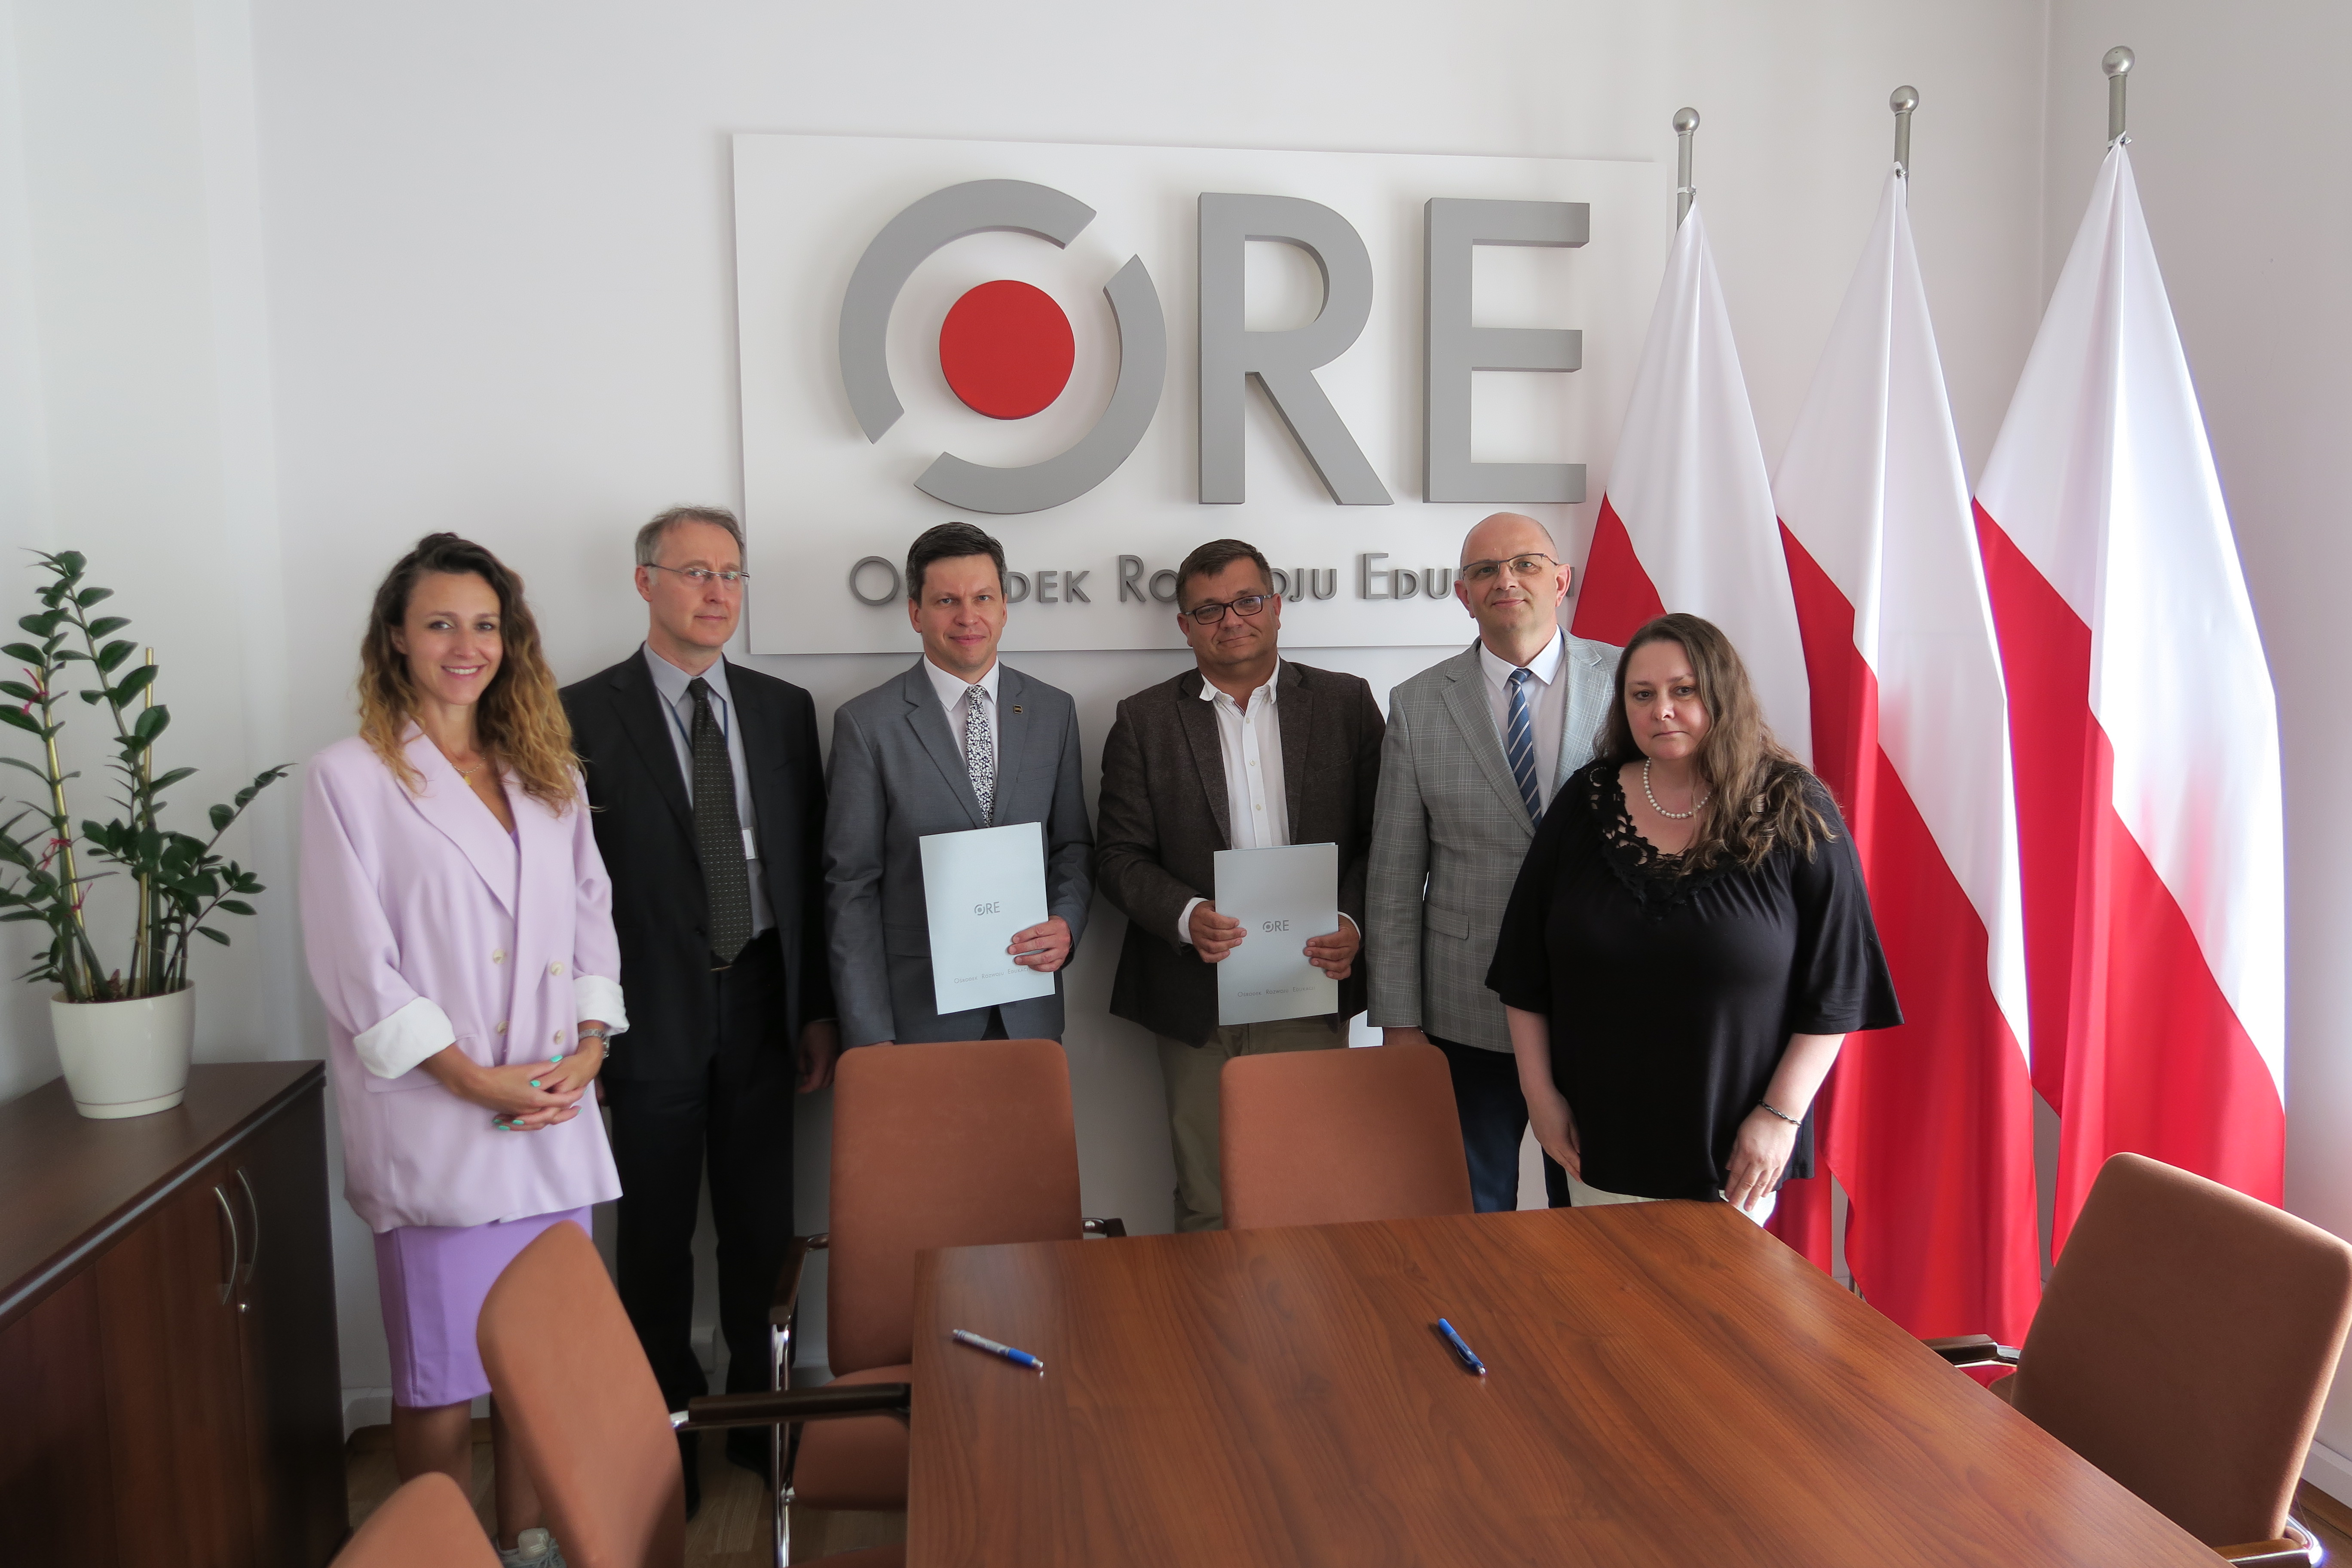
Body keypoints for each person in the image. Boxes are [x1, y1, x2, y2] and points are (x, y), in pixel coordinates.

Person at [302, 534, 622, 1568]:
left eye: (485, 625)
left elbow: (590, 916)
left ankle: (527, 1545)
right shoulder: (350, 780)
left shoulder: (546, 770)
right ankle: (439, 1554)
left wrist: (591, 1045)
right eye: (440, 623)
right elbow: (358, 966)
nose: (465, 645)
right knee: (440, 1376)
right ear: (396, 637)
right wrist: (474, 1080)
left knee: (537, 1369)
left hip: (550, 1109)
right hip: (439, 1119)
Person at [559, 505, 835, 1510]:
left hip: (761, 998)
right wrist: (586, 1032)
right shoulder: (578, 713)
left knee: (763, 1233)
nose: (717, 593)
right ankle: (661, 1439)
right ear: (645, 583)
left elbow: (805, 873)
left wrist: (814, 1010)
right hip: (647, 1012)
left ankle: (761, 1427)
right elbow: (561, 890)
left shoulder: (782, 708)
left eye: (730, 574)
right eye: (694, 573)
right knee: (654, 1240)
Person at [1485, 612, 1901, 1219]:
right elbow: (1524, 969)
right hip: (1598, 1145)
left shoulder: (1793, 806)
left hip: (1734, 1157)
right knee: (1603, 1285)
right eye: (1642, 695)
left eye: (1684, 690)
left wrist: (1780, 1117)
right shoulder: (1584, 801)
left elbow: (1840, 985)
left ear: (1722, 694)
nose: (1662, 710)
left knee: (1715, 1288)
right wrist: (1540, 1096)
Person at [1094, 538, 1384, 1232]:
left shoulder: (1345, 704)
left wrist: (1352, 921)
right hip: (1196, 996)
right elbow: (1118, 856)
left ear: (1276, 607)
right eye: (1209, 609)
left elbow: (1386, 837)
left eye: (1247, 600)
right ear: (1185, 625)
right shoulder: (1143, 720)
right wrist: (1186, 913)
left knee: (1312, 1193)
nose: (1231, 620)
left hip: (1311, 981)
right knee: (1210, 1200)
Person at [1366, 513, 1618, 1213]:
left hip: (1601, 1002)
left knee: (1598, 1212)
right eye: (1485, 570)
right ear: (1463, 594)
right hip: (1464, 1009)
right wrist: (1399, 1024)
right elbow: (1393, 878)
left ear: (1561, 580)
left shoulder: (1632, 683)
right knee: (1470, 1214)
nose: (1506, 579)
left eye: (1526, 563)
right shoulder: (1418, 704)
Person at [824, 521, 1092, 1045]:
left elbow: (1073, 846)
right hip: (918, 1019)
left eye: (983, 598)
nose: (968, 617)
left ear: (1004, 608)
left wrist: (1066, 921)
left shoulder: (1053, 711)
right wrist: (870, 1034)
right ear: (915, 613)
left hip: (1029, 1010)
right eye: (947, 601)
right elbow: (851, 886)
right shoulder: (866, 724)